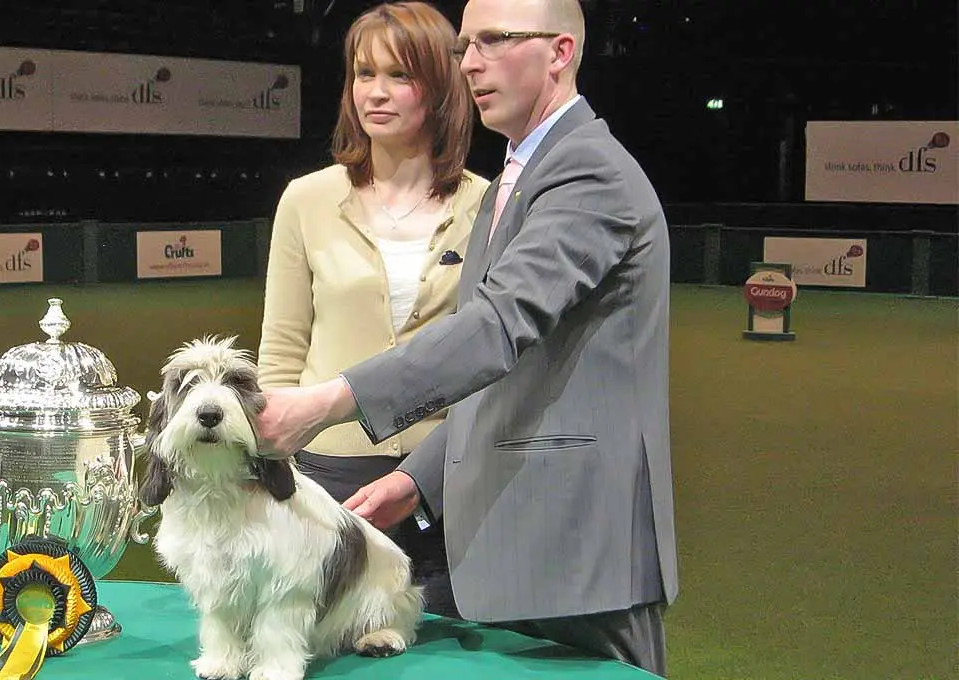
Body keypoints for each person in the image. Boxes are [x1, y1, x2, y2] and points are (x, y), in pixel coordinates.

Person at [254, 0, 678, 675]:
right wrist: (417, 481)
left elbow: (496, 329)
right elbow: (509, 371)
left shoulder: (585, 171)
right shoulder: (521, 176)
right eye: (465, 46)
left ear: (561, 52)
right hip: (514, 535)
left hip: (577, 547)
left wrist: (326, 400)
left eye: (495, 41)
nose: (472, 62)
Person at [257, 1, 489, 618]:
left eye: (399, 76)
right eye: (364, 74)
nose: (375, 93)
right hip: (326, 478)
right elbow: (280, 351)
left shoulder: (491, 206)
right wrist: (272, 468)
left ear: (441, 88)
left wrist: (429, 475)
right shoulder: (305, 200)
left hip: (447, 479)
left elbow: (494, 354)